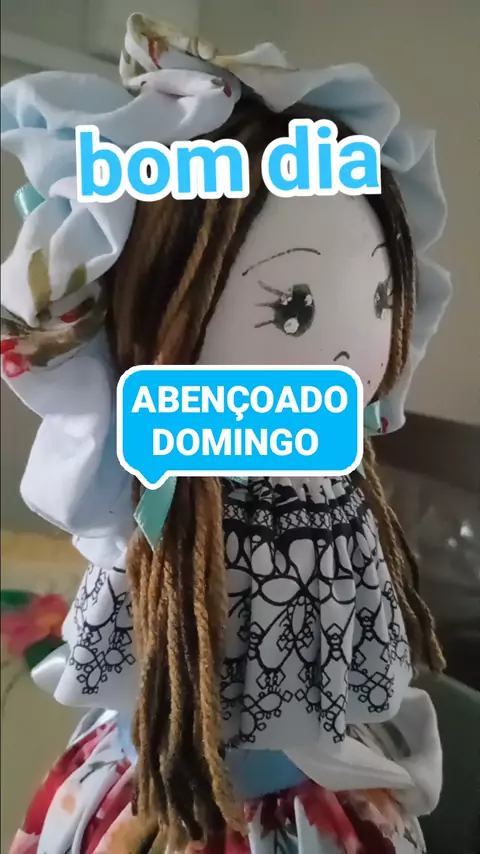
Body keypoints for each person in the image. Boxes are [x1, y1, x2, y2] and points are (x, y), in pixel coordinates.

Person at [1, 13, 452, 854]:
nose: (356, 355)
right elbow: (145, 652)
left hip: (314, 788)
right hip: (181, 792)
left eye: (383, 299)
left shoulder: (335, 473)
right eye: (294, 309)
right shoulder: (160, 511)